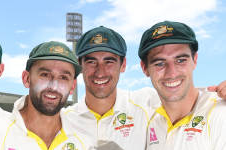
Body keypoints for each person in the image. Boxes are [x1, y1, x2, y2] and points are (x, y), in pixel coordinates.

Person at [62, 26, 226, 150]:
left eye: (109, 61)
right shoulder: (62, 120)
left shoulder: (145, 104)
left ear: (123, 65)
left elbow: (184, 93)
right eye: (91, 62)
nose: (100, 72)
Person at [0, 41, 89, 150]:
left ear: (72, 86)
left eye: (63, 77)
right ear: (27, 79)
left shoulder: (84, 140)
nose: (53, 86)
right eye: (45, 75)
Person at [139, 21, 226, 149]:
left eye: (180, 60)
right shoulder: (147, 121)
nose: (172, 73)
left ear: (194, 60)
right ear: (144, 68)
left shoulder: (221, 114)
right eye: (159, 63)